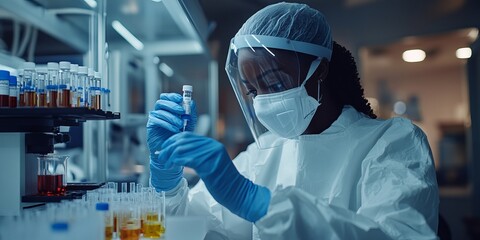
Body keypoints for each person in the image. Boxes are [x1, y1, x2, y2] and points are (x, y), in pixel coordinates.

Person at [147, 2, 439, 239]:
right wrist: (168, 181)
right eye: (252, 91)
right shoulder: (261, 154)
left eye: (273, 84)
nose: (262, 101)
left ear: (320, 69)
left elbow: (396, 234)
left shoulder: (392, 142)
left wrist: (258, 203)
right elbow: (190, 227)